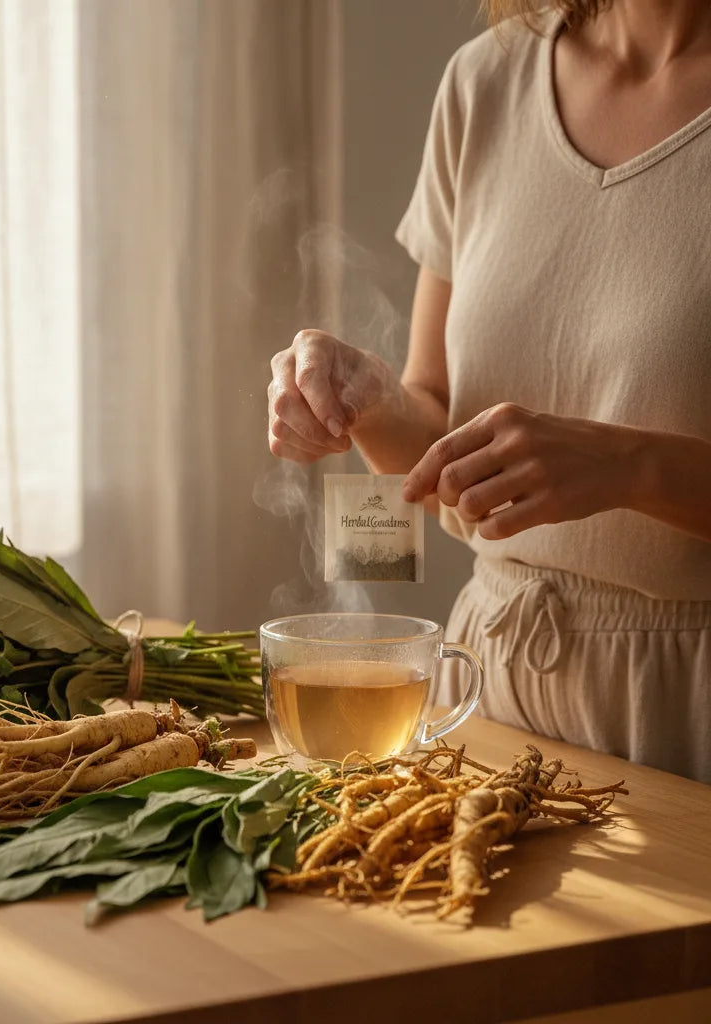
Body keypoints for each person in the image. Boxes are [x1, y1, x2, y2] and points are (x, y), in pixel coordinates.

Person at [266, 0, 711, 782]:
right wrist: (367, 400)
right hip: (495, 687)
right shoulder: (488, 79)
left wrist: (630, 465)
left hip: (693, 711)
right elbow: (437, 428)